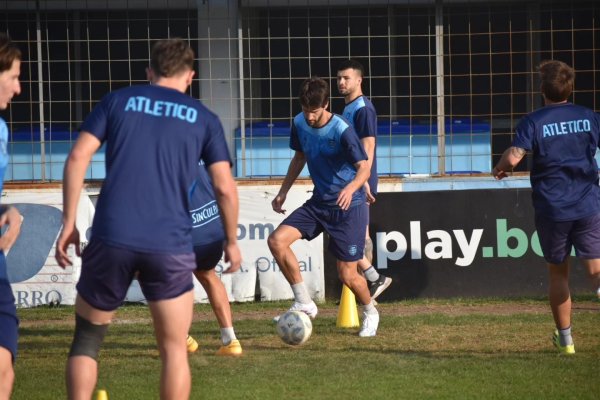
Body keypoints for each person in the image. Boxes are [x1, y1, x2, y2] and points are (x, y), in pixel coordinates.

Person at [55, 38, 241, 399]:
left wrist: (68, 222)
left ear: (149, 72)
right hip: (169, 244)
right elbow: (225, 189)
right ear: (191, 77)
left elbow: (77, 158)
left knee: (88, 339)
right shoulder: (204, 119)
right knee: (174, 350)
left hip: (112, 236)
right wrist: (231, 240)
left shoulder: (118, 101)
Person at [492, 59, 600, 355]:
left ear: (542, 90)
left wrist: (500, 167)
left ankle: (566, 342)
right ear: (571, 87)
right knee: (595, 270)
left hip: (554, 208)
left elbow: (514, 157)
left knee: (558, 274)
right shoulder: (588, 116)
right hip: (588, 202)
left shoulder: (533, 121)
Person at [268, 77, 379, 337]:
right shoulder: (298, 122)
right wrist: (283, 191)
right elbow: (299, 156)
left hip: (348, 207)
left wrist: (352, 188)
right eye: (305, 110)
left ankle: (370, 312)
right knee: (276, 241)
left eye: (314, 112)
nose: (309, 117)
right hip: (319, 203)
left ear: (326, 105)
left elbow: (363, 167)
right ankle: (304, 302)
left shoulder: (341, 129)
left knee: (348, 275)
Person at [337, 59, 392, 301]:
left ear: (359, 80)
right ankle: (369, 282)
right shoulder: (348, 108)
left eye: (346, 78)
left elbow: (368, 146)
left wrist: (364, 179)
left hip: (360, 180)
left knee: (357, 234)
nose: (341, 82)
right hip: (350, 178)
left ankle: (371, 283)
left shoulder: (363, 109)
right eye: (339, 78)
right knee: (352, 232)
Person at [185, 162, 242, 356]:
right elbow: (225, 186)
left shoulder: (162, 148)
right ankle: (231, 340)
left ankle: (180, 337)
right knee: (208, 275)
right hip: (212, 226)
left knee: (166, 281)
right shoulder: (202, 141)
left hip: (185, 230)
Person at [0, 33, 24, 400]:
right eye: (14, 77)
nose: (19, 89)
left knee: (5, 365)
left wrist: (8, 212)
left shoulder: (1, 129)